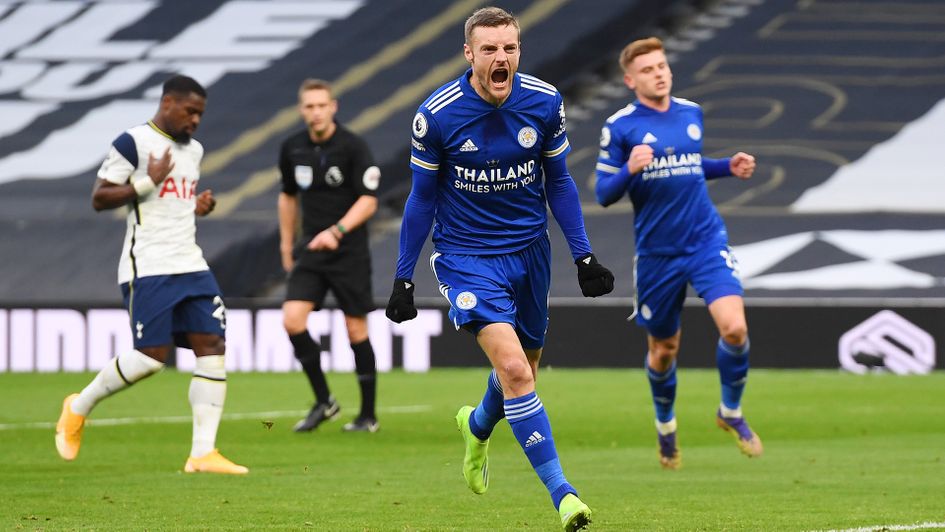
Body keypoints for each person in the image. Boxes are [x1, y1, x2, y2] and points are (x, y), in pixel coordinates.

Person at [385, 7, 612, 531]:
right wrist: (403, 276)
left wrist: (583, 255)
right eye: (489, 49)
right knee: (513, 369)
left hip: (530, 255)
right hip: (466, 258)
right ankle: (565, 496)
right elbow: (420, 201)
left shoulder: (545, 101)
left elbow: (559, 181)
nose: (500, 57)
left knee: (524, 370)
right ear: (470, 55)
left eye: (508, 48)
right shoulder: (436, 116)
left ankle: (478, 426)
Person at [55, 75, 248, 474]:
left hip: (190, 262)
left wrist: (195, 205)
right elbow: (100, 198)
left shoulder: (193, 150)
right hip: (149, 265)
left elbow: (169, 201)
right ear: (168, 103)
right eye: (190, 111)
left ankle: (202, 453)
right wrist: (147, 180)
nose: (195, 120)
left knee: (212, 346)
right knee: (150, 358)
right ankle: (77, 407)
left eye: (200, 114)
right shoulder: (133, 142)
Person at [594, 37, 762, 470]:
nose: (660, 73)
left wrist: (727, 166)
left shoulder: (691, 112)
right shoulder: (621, 126)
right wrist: (630, 169)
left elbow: (689, 162)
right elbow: (603, 193)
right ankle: (666, 426)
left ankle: (730, 411)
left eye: (662, 65)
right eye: (648, 69)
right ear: (631, 80)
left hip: (705, 240)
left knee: (735, 329)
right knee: (664, 348)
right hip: (657, 254)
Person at [278, 79, 382, 433]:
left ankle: (367, 416)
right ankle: (325, 401)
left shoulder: (353, 147)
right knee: (292, 320)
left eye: (322, 105)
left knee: (355, 329)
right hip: (311, 250)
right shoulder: (292, 148)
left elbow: (369, 200)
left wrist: (337, 231)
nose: (316, 112)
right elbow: (288, 197)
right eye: (309, 106)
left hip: (348, 250)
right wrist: (286, 244)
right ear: (301, 110)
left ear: (333, 106)